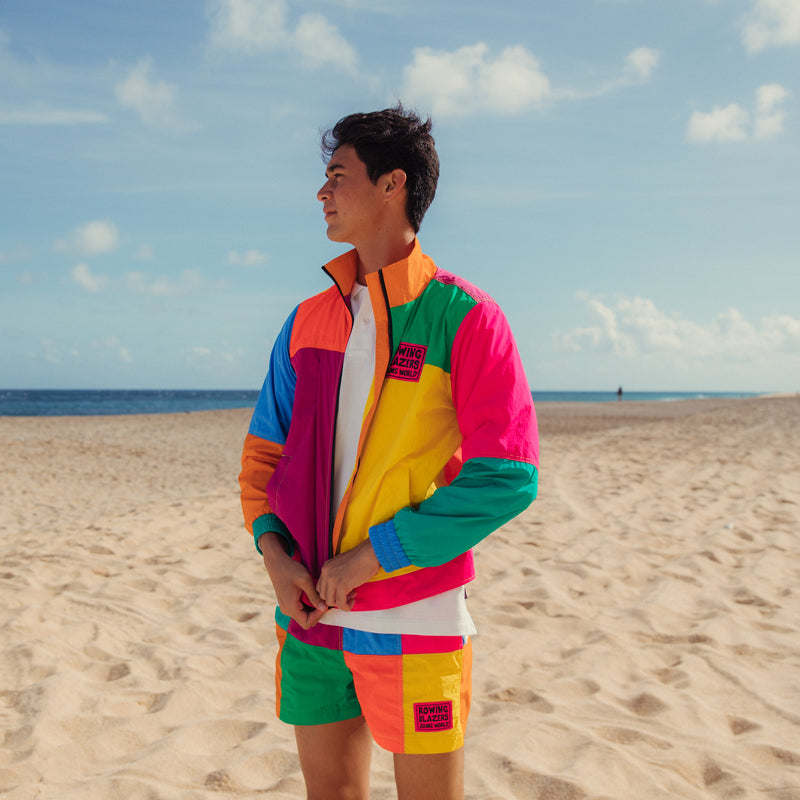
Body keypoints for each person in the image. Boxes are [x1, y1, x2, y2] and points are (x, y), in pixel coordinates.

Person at [239, 105, 539, 800]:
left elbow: (508, 476)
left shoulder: (464, 317)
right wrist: (276, 559)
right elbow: (261, 462)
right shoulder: (307, 320)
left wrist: (373, 556)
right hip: (310, 615)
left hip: (414, 615)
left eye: (337, 175)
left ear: (391, 184)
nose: (322, 192)